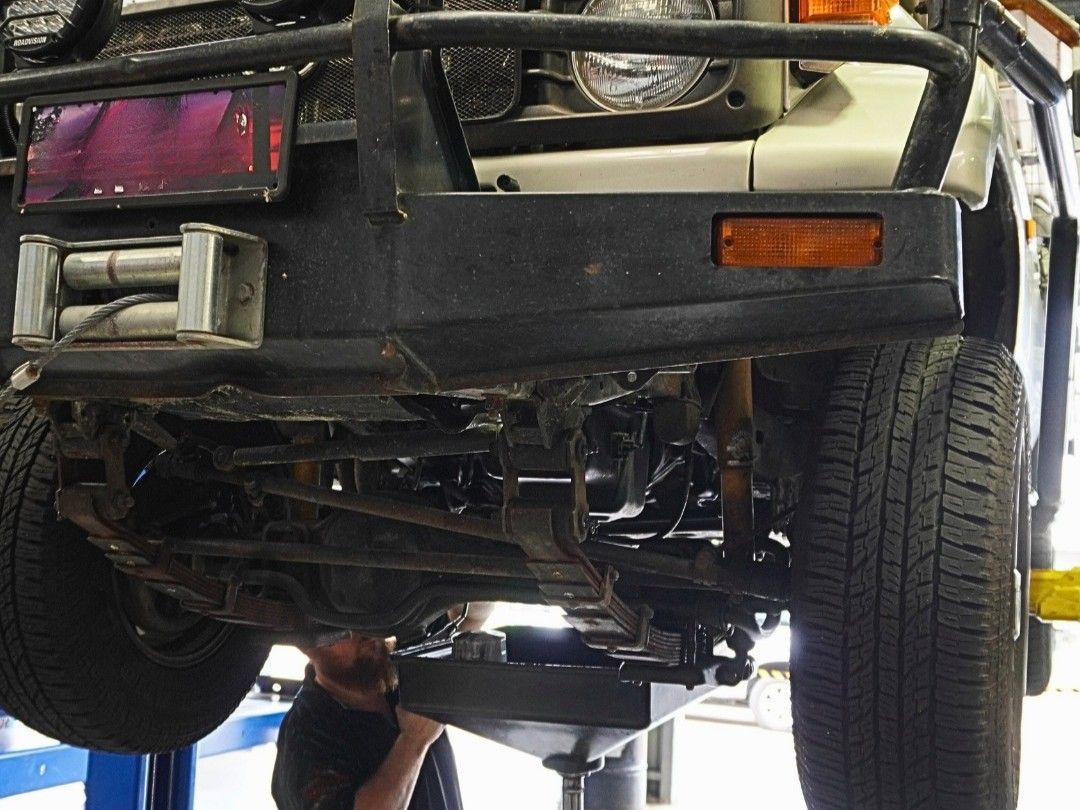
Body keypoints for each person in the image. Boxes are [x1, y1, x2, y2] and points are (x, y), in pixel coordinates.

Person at [271, 632, 463, 810]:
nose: (365, 630)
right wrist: (413, 741)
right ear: (308, 645)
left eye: (367, 614)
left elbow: (468, 619)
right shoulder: (305, 737)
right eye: (343, 622)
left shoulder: (400, 672)